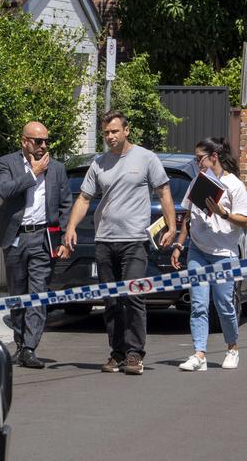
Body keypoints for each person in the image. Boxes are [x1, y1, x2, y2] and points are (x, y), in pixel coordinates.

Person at [63, 110, 176, 375]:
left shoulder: (146, 158)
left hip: (135, 241)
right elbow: (84, 198)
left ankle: (135, 354)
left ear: (126, 131)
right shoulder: (99, 163)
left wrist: (171, 226)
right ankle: (117, 353)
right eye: (106, 133)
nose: (110, 137)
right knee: (111, 300)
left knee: (133, 296)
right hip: (105, 240)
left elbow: (164, 191)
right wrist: (71, 227)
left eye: (115, 131)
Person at [0, 121, 72, 369]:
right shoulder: (6, 163)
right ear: (24, 142)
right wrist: (32, 173)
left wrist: (65, 238)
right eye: (37, 141)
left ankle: (30, 347)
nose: (43, 146)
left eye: (46, 142)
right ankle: (20, 344)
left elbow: (65, 204)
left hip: (43, 238)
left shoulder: (57, 169)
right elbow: (6, 190)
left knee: (38, 293)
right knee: (17, 294)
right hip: (16, 237)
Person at [172, 137, 247, 372]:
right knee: (198, 304)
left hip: (224, 253)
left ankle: (232, 348)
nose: (197, 164)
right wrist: (179, 245)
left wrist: (222, 213)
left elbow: (245, 220)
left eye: (199, 159)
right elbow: (188, 216)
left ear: (214, 157)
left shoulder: (234, 185)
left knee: (224, 304)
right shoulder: (197, 181)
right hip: (197, 251)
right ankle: (199, 354)